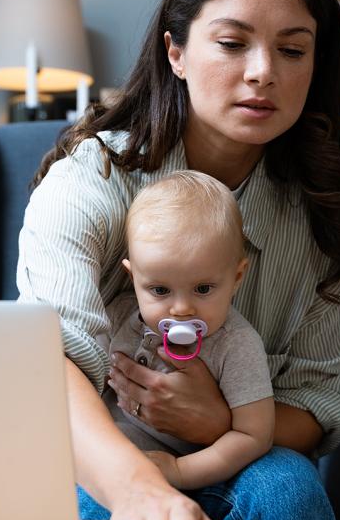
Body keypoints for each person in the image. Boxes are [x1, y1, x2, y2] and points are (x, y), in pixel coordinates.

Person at [16, 0, 340, 520]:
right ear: (176, 52)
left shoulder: (323, 219)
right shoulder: (90, 179)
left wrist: (218, 423)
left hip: (243, 457)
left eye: (292, 50)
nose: (263, 72)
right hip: (99, 453)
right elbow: (48, 358)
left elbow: (320, 399)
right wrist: (138, 486)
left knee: (288, 486)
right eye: (233, 43)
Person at [102, 170, 273, 490]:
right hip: (118, 465)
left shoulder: (237, 345)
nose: (181, 309)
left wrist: (181, 471)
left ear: (237, 277)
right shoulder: (118, 317)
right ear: (133, 278)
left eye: (203, 289)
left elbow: (254, 435)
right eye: (160, 290)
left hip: (203, 472)